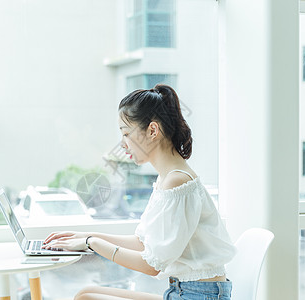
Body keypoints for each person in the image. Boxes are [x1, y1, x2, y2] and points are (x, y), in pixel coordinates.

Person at [43, 84, 236, 300]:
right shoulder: (167, 178)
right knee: (86, 293)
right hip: (184, 292)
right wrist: (87, 236)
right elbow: (142, 243)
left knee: (87, 298)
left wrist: (92, 243)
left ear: (152, 130)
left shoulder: (177, 181)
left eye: (126, 134)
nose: (123, 145)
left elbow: (151, 265)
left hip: (199, 296)